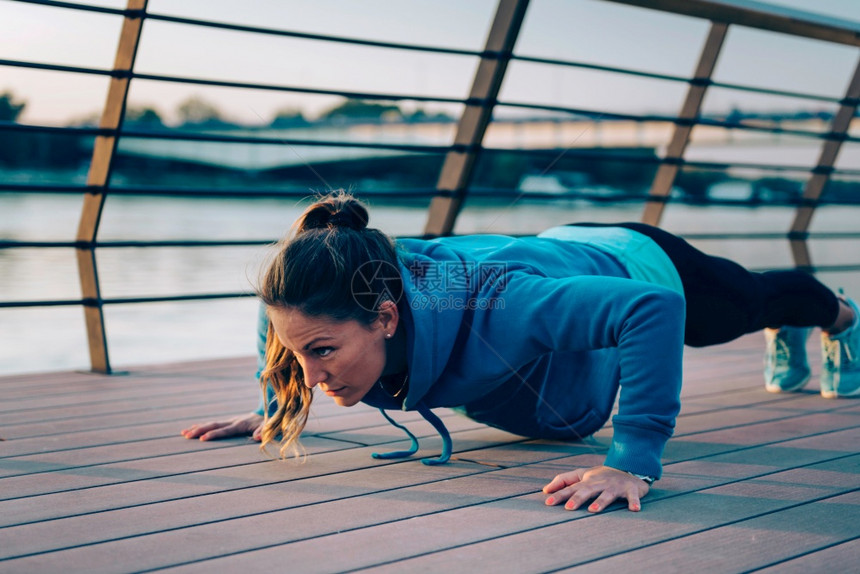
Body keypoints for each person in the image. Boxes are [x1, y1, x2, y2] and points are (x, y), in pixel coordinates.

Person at [182, 191, 860, 514]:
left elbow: (653, 311)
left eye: (323, 352)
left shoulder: (503, 308)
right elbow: (283, 317)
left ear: (386, 318)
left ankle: (842, 317)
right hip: (551, 254)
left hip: (633, 264)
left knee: (751, 303)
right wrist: (277, 404)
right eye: (301, 356)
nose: (314, 370)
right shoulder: (347, 289)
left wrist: (632, 462)